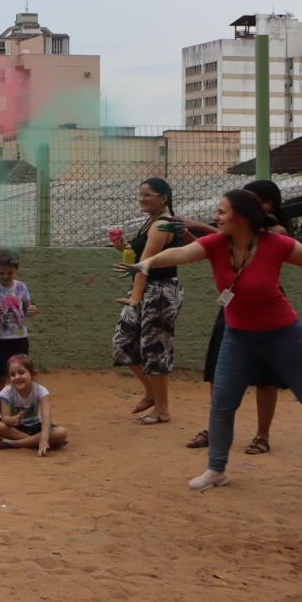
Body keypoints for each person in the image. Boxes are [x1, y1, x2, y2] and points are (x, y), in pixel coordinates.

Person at [119, 188, 302, 493]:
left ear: (241, 216)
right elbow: (181, 253)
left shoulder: (276, 244)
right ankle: (216, 470)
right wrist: (148, 263)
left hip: (284, 336)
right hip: (238, 338)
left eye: (221, 212)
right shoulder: (217, 244)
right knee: (222, 405)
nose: (215, 218)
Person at [181, 180, 290, 453]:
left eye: (248, 201)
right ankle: (215, 427)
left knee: (266, 374)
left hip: (267, 310)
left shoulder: (275, 233)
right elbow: (212, 249)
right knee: (219, 369)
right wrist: (188, 234)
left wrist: (203, 226)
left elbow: (248, 239)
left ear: (266, 205)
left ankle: (262, 434)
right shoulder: (226, 237)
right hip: (232, 306)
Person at [110, 177, 189, 425]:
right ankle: (151, 394)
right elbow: (137, 258)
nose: (142, 198)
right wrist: (122, 247)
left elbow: (145, 265)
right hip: (146, 290)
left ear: (163, 198)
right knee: (122, 344)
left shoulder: (161, 225)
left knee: (155, 348)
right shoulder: (150, 222)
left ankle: (163, 409)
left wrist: (135, 296)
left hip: (160, 291)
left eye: (148, 194)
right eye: (141, 194)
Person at [0, 355, 68, 455]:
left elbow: (46, 418)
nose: (17, 377)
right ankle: (34, 442)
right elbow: (5, 418)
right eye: (12, 375)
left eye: (21, 373)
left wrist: (43, 440)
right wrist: (12, 420)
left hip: (35, 426)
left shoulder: (41, 391)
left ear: (33, 374)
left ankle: (15, 444)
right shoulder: (7, 392)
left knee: (62, 432)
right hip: (15, 429)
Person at [0, 250, 35, 412]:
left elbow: (28, 308)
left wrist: (31, 310)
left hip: (20, 336)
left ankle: (21, 404)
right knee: (1, 374)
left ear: (16, 270)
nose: (6, 276)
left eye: (10, 272)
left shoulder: (21, 287)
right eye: (1, 273)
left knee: (22, 373)